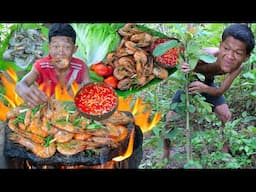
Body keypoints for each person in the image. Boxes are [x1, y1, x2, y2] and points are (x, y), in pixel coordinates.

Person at [163, 23, 255, 159]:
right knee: (170, 119)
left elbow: (220, 91)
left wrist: (204, 88)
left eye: (238, 53)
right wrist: (182, 65)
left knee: (226, 115)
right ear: (220, 45)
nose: (230, 56)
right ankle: (165, 154)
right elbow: (180, 60)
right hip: (189, 83)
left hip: (208, 85)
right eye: (226, 48)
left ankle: (225, 149)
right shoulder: (206, 54)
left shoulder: (238, 67)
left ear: (246, 57)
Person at [15, 23, 90, 108]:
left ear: (74, 49)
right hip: (45, 110)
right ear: (49, 48)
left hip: (73, 111)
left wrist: (80, 90)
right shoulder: (41, 66)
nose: (61, 52)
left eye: (67, 47)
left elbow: (90, 89)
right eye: (56, 47)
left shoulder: (81, 67)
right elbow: (21, 84)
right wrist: (22, 88)